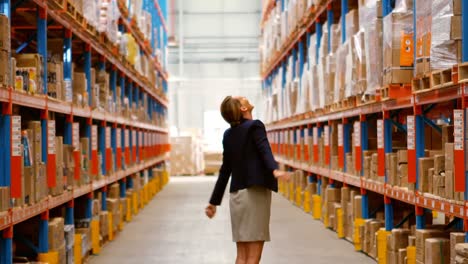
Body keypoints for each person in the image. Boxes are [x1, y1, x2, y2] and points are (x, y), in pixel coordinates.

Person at [205, 96, 290, 264]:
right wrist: (274, 169)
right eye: (242, 98)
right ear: (243, 108)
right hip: (254, 195)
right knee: (253, 257)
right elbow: (264, 148)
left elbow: (225, 171)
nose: (245, 98)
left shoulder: (228, 134)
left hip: (237, 196)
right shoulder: (255, 126)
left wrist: (213, 202)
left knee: (242, 255)